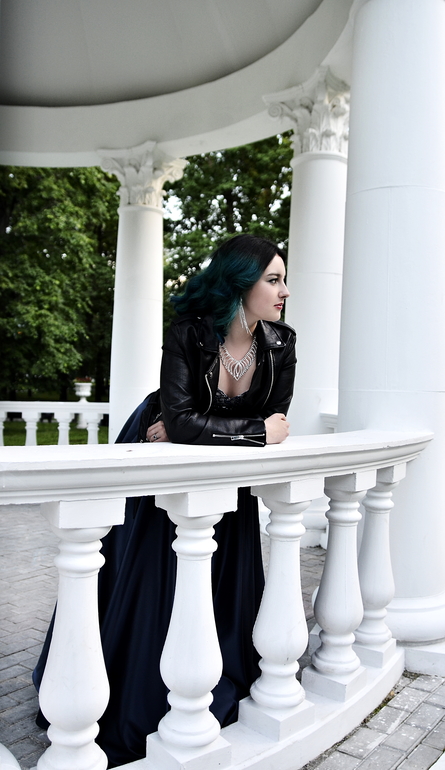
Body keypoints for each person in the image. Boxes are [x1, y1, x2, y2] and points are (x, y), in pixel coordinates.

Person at [34, 233, 296, 767]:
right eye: (273, 279)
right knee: (152, 570)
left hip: (223, 467)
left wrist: (201, 428)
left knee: (219, 568)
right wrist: (232, 430)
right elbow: (192, 420)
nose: (284, 291)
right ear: (240, 282)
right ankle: (132, 692)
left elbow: (274, 420)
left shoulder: (281, 344)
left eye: (283, 280)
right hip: (159, 454)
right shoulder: (188, 334)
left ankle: (215, 672)